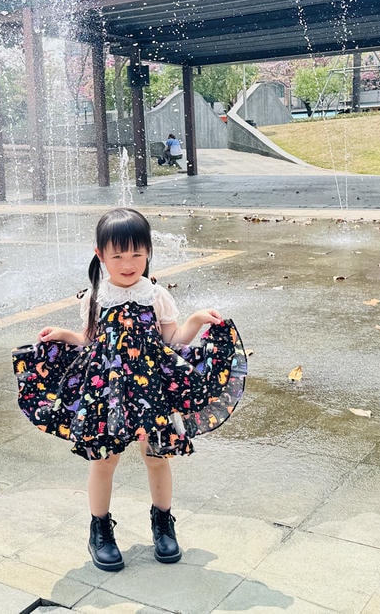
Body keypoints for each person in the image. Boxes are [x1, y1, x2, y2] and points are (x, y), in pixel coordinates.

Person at [13, 208, 247, 572]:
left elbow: (173, 339)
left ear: (148, 252)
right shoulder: (94, 297)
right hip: (107, 393)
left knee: (156, 456)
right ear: (100, 255)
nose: (128, 263)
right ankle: (100, 530)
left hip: (153, 390)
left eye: (136, 254)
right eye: (118, 255)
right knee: (104, 460)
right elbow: (91, 341)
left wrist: (196, 321)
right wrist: (64, 336)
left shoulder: (155, 295)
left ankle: (163, 524)